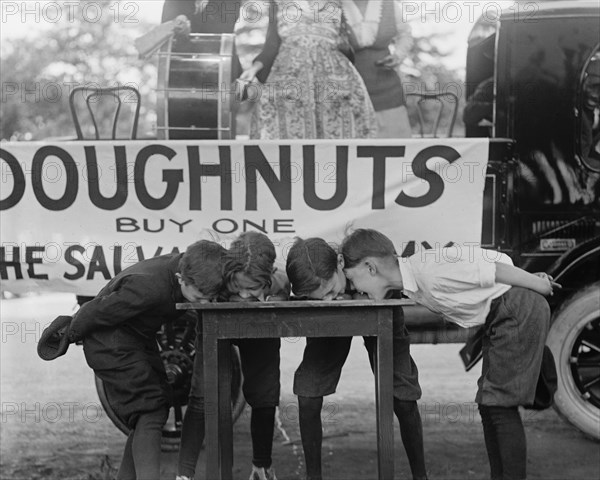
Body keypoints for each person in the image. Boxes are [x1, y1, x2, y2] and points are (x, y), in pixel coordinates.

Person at [340, 229, 558, 480]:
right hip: (501, 315)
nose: (354, 287)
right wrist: (529, 278)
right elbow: (494, 260)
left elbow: (494, 270)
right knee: (489, 406)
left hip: (515, 311)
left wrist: (537, 283)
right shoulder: (415, 278)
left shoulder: (428, 272)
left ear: (370, 267)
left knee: (500, 405)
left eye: (351, 278)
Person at [42, 240, 226, 480]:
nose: (203, 304)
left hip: (137, 339)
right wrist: (68, 333)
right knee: (150, 411)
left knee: (154, 409)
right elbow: (97, 310)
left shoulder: (192, 266)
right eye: (199, 297)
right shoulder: (149, 287)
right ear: (181, 278)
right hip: (109, 344)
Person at [285, 237, 428, 480]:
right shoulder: (311, 283)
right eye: (320, 297)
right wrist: (326, 301)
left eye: (331, 290)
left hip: (382, 311)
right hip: (330, 322)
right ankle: (313, 477)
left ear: (340, 265)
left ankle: (420, 476)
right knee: (308, 394)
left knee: (403, 397)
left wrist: (356, 298)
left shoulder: (363, 263)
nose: (328, 298)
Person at [177, 232, 290, 480]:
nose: (245, 296)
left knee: (264, 393)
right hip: (216, 326)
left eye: (253, 289)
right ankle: (183, 475)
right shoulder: (218, 280)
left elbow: (283, 291)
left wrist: (272, 302)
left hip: (261, 328)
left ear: (269, 277)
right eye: (238, 287)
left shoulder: (281, 283)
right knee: (202, 395)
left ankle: (262, 467)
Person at [239, 0, 377, 139]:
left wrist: (342, 45)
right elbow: (272, 45)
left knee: (336, 137)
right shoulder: (279, 3)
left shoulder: (338, 4)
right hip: (290, 78)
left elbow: (346, 47)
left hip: (332, 80)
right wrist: (254, 68)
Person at [342, 0, 413, 138]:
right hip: (350, 90)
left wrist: (397, 55)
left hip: (387, 88)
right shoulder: (336, 8)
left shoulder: (389, 5)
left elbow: (405, 34)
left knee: (394, 144)